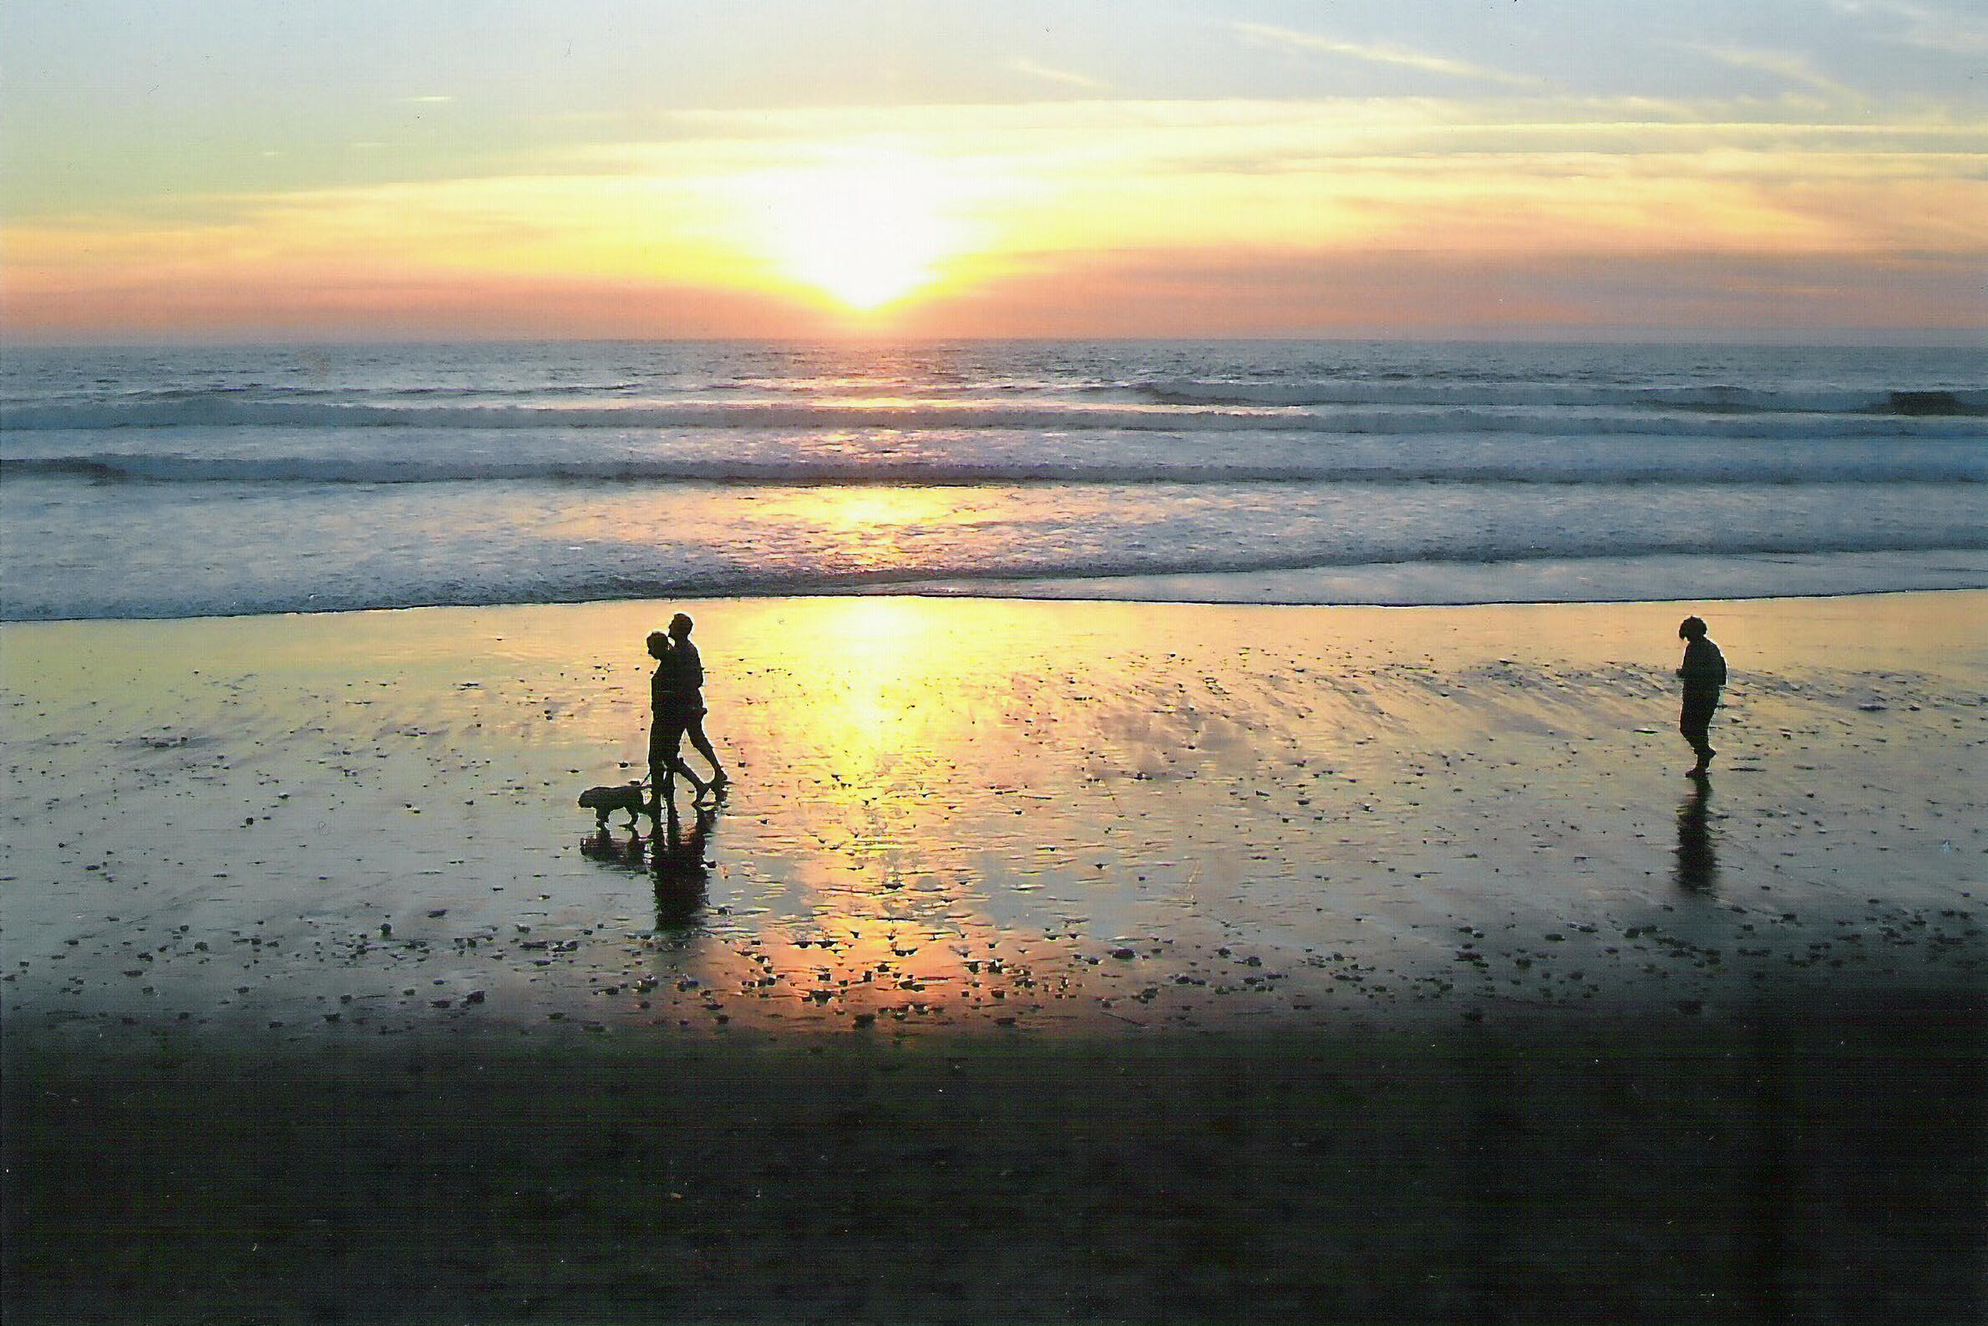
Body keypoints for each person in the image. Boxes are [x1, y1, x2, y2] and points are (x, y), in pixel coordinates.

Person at [649, 614, 729, 807]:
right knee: (689, 742)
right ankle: (712, 773)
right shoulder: (681, 650)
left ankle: (708, 777)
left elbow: (692, 681)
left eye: (673, 625)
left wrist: (681, 700)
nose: (669, 626)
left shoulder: (683, 652)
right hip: (686, 706)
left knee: (675, 747)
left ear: (679, 629)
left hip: (684, 707)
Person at [1675, 615, 1726, 776]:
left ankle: (1703, 754)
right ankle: (1702, 758)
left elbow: (1692, 671)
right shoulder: (1711, 646)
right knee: (1699, 729)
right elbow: (1722, 670)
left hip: (1697, 695)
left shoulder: (1695, 649)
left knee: (1688, 728)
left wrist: (1683, 673)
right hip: (1710, 694)